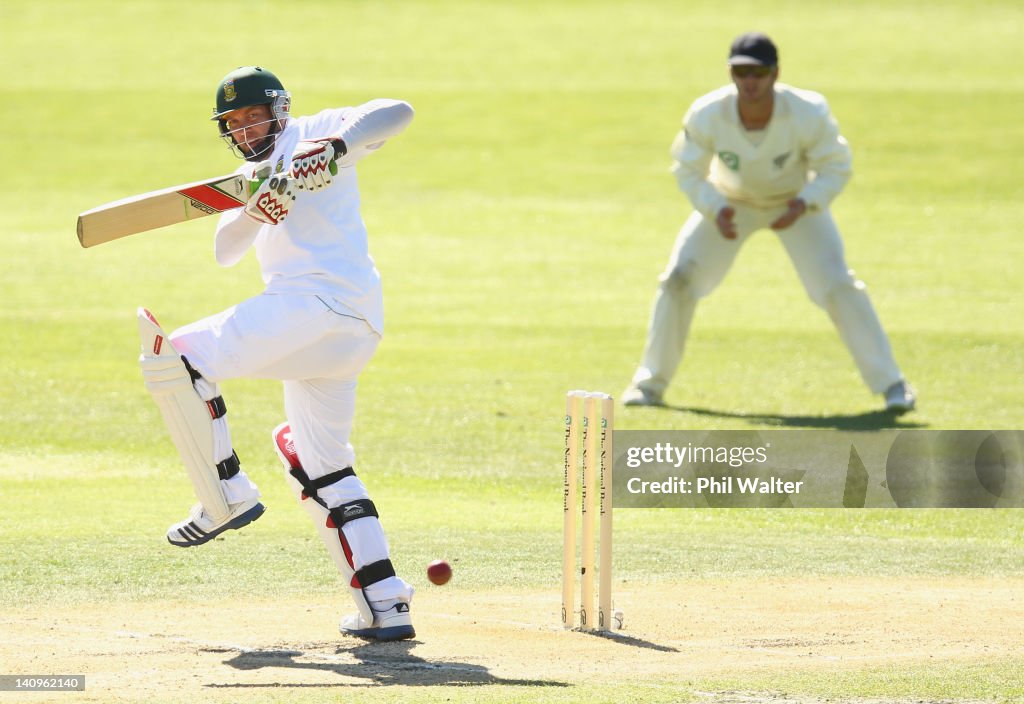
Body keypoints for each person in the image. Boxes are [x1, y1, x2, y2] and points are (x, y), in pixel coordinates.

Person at [137, 66, 416, 641]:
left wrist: (333, 146)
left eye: (252, 116)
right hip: (346, 329)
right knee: (321, 464)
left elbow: (398, 110)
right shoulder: (249, 174)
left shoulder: (318, 130)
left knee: (178, 358)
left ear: (280, 110)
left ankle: (227, 492)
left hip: (319, 304)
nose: (244, 128)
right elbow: (223, 252)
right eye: (232, 123)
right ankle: (386, 604)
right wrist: (252, 213)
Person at [622, 33, 916, 414]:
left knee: (837, 284)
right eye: (741, 71)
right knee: (678, 279)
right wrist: (715, 207)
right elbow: (687, 170)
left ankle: (893, 385)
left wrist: (805, 203)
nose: (750, 81)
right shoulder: (707, 112)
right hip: (730, 205)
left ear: (775, 73)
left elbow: (836, 166)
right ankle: (648, 384)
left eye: (758, 72)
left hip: (792, 205)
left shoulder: (808, 111)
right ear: (730, 73)